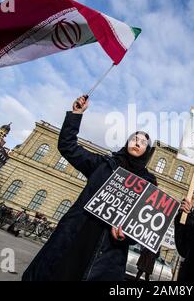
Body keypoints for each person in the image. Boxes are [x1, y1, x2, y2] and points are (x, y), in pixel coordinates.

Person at [22, 96, 157, 281]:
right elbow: (68, 147)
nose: (137, 142)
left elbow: (142, 225)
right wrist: (76, 115)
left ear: (147, 151)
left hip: (108, 252)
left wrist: (127, 236)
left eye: (143, 142)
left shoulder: (148, 183)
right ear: (127, 142)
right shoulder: (104, 164)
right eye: (134, 138)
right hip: (75, 237)